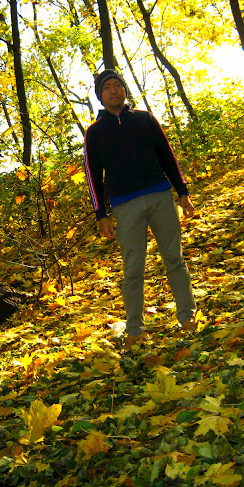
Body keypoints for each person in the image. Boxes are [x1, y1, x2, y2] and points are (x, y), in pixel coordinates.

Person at [84, 69, 196, 349]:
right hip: (125, 206)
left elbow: (167, 156)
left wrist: (182, 192)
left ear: (124, 90)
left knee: (174, 258)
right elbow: (93, 175)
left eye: (117, 85)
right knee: (133, 268)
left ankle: (188, 317)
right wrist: (101, 214)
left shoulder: (145, 119)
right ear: (100, 96)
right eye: (107, 88)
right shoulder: (94, 133)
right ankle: (134, 329)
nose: (113, 91)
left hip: (160, 197)